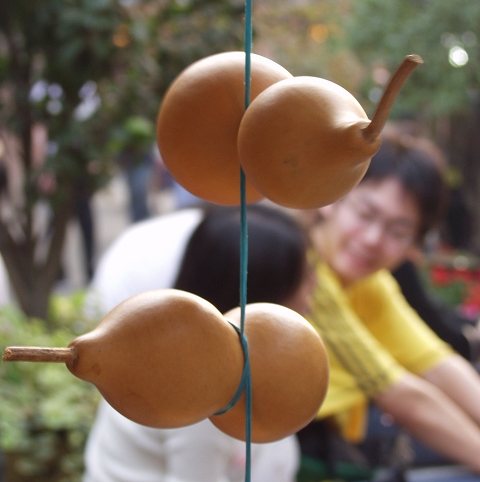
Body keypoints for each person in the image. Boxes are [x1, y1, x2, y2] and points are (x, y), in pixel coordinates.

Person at [83, 203, 313, 482]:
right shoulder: (195, 389)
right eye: (302, 279)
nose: (309, 296)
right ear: (264, 296)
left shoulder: (208, 362)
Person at [296, 132, 480, 481]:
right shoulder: (302, 273)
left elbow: (436, 361)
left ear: (414, 244)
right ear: (331, 198)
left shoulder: (371, 282)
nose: (372, 240)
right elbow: (396, 393)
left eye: (398, 231)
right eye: (366, 213)